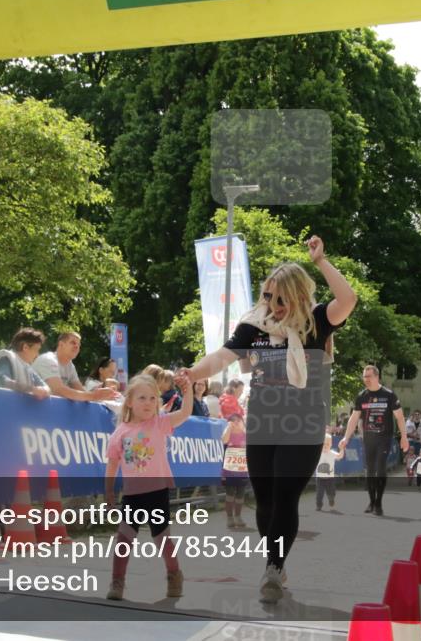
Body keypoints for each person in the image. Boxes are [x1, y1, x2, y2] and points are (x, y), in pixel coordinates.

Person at [182, 235, 357, 604]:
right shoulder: (254, 327)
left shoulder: (317, 322)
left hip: (304, 423)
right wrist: (193, 372)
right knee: (263, 500)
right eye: (267, 297)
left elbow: (348, 300)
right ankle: (273, 560)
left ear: (296, 296)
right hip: (262, 420)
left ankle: (274, 568)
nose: (273, 306)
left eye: (280, 299)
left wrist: (322, 261)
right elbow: (221, 357)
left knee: (285, 494)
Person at [104, 371, 193, 601]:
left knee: (162, 539)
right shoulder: (120, 433)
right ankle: (117, 581)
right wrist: (109, 492)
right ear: (130, 402)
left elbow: (185, 413)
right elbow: (112, 464)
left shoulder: (160, 423)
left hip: (157, 493)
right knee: (123, 539)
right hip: (132, 496)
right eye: (142, 398)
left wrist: (188, 391)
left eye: (153, 398)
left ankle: (174, 575)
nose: (148, 403)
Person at [339, 365, 407, 516]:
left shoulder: (389, 395)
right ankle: (371, 501)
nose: (366, 379)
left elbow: (400, 417)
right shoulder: (362, 396)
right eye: (364, 376)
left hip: (384, 437)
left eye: (369, 376)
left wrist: (404, 437)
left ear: (377, 377)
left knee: (380, 469)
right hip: (368, 438)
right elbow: (353, 418)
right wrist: (346, 437)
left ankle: (379, 503)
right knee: (370, 470)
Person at [33, 332, 117, 402]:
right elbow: (58, 390)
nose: (77, 346)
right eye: (73, 342)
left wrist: (102, 395)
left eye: (79, 345)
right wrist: (93, 396)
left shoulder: (70, 366)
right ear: (61, 344)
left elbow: (80, 391)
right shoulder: (48, 359)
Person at [0, 328, 50, 399]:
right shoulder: (6, 357)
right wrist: (32, 389)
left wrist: (44, 390)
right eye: (37, 350)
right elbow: (2, 381)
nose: (37, 355)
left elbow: (46, 387)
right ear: (25, 347)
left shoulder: (28, 368)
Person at [221, 409, 249, 529]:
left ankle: (238, 516)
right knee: (230, 494)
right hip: (229, 470)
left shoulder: (245, 434)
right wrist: (229, 427)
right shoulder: (228, 433)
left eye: (239, 420)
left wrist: (244, 428)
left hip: (242, 470)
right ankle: (229, 518)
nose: (236, 422)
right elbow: (224, 440)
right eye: (233, 421)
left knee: (240, 494)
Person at [315, 431, 345, 511]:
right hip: (320, 478)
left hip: (330, 478)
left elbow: (340, 456)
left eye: (327, 444)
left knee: (331, 492)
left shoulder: (332, 453)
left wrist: (342, 449)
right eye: (323, 444)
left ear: (331, 445)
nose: (325, 446)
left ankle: (331, 500)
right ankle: (319, 505)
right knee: (319, 493)